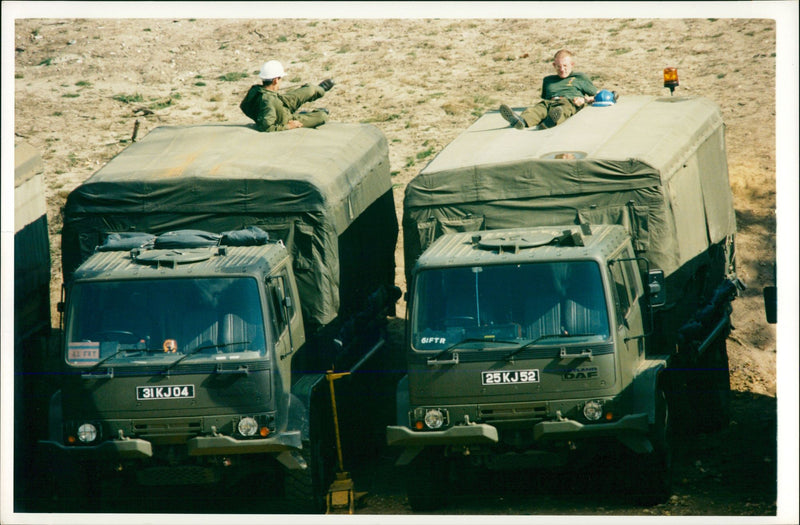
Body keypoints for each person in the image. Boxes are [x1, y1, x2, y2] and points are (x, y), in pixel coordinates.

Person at [499, 49, 612, 130]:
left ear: (572, 64)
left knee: (564, 109)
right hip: (550, 101)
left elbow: (598, 95)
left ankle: (551, 121)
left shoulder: (579, 77)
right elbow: (545, 97)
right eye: (558, 66)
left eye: (565, 66)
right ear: (554, 65)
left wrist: (585, 100)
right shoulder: (548, 80)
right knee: (538, 109)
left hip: (569, 101)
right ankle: (521, 121)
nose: (562, 69)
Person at [240, 60, 334, 132]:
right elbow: (267, 127)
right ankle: (306, 115)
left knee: (310, 90)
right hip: (285, 117)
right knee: (322, 116)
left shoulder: (255, 90)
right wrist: (288, 126)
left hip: (281, 102)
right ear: (275, 80)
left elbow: (244, 106)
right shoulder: (269, 101)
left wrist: (257, 114)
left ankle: (320, 89)